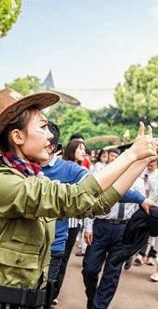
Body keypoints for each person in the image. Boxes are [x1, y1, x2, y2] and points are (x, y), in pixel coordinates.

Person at [0, 87, 158, 308]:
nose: (50, 136)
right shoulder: (6, 183)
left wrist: (142, 160)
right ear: (17, 136)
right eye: (43, 127)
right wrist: (130, 153)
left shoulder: (32, 178)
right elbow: (74, 196)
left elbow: (99, 203)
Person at [82, 166, 155, 309]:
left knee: (112, 274)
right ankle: (93, 298)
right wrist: (88, 227)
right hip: (100, 226)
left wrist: (135, 235)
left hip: (123, 229)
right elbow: (91, 200)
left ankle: (99, 306)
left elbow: (140, 209)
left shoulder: (138, 182)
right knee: (89, 269)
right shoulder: (108, 176)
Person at [41, 123, 89, 305]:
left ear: (51, 146)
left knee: (45, 294)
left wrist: (134, 159)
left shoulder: (71, 169)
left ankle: (53, 294)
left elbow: (99, 189)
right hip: (23, 250)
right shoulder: (19, 167)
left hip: (56, 244)